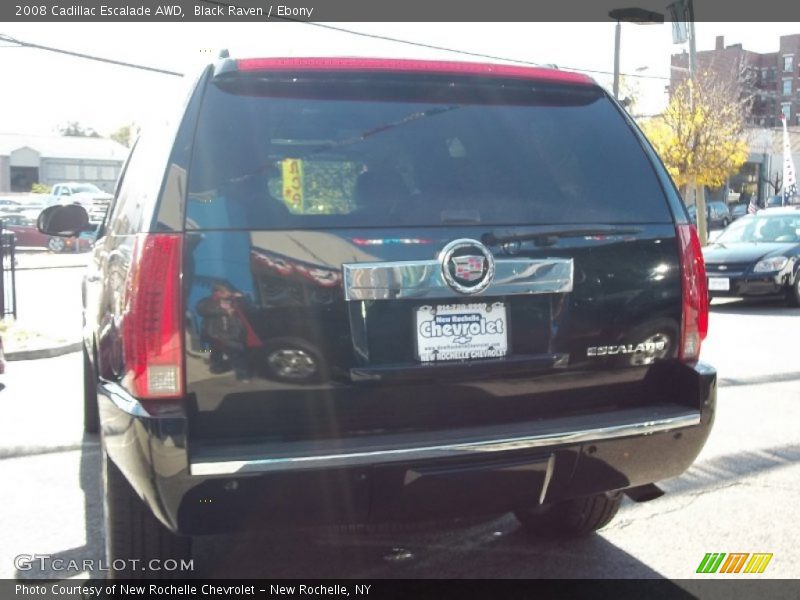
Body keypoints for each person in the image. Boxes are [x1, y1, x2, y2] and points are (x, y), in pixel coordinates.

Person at [196, 284, 261, 379]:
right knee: (216, 352)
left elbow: (249, 309)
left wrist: (241, 299)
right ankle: (217, 368)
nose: (229, 293)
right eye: (227, 291)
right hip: (214, 332)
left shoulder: (234, 300)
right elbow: (202, 310)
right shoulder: (207, 301)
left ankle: (242, 375)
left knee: (237, 352)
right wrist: (225, 312)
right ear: (218, 293)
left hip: (231, 332)